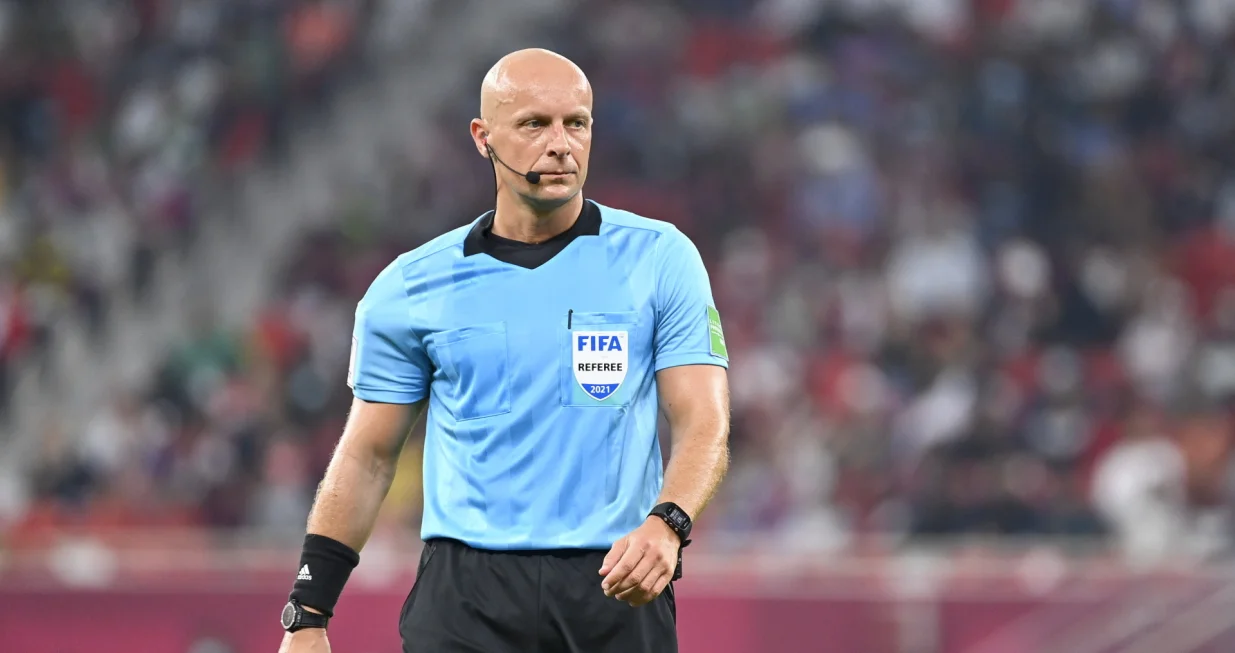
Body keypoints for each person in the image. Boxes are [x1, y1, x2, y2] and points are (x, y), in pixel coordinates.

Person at [276, 48, 731, 653]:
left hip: (614, 585)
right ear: (483, 137)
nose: (561, 144)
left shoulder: (661, 259)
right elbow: (368, 456)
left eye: (576, 123)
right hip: (467, 596)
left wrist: (668, 523)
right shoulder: (410, 287)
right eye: (534, 124)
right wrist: (307, 614)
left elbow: (704, 422)